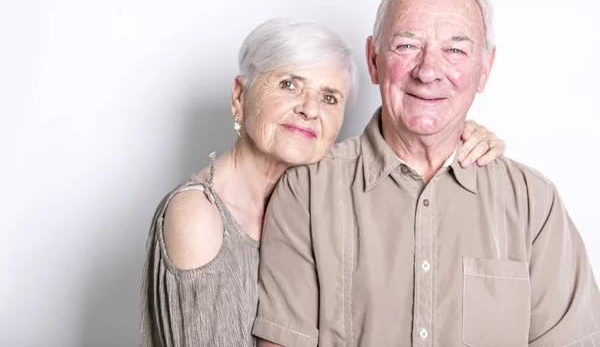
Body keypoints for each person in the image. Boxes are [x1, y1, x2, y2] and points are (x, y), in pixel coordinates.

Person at [253, 0, 600, 347]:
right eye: (407, 45)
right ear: (373, 59)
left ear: (484, 69)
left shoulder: (534, 203)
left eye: (455, 50)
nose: (428, 71)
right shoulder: (306, 192)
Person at [139, 18, 506, 346]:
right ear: (240, 95)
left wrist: (454, 138)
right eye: (289, 84)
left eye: (329, 97)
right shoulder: (197, 216)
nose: (310, 109)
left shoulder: (317, 205)